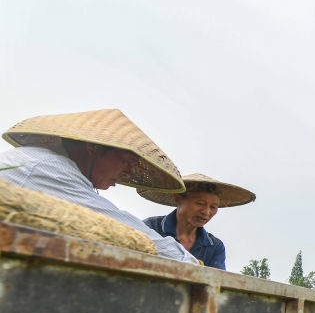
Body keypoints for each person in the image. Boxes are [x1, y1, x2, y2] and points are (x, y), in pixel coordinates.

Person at [0, 108, 197, 263]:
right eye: (127, 162)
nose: (128, 173)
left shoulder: (46, 161)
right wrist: (188, 262)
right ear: (93, 147)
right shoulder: (48, 167)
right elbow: (125, 232)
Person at [141, 174, 256, 270]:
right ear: (178, 199)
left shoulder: (214, 246)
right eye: (200, 203)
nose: (206, 212)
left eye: (213, 207)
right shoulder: (150, 228)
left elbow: (216, 282)